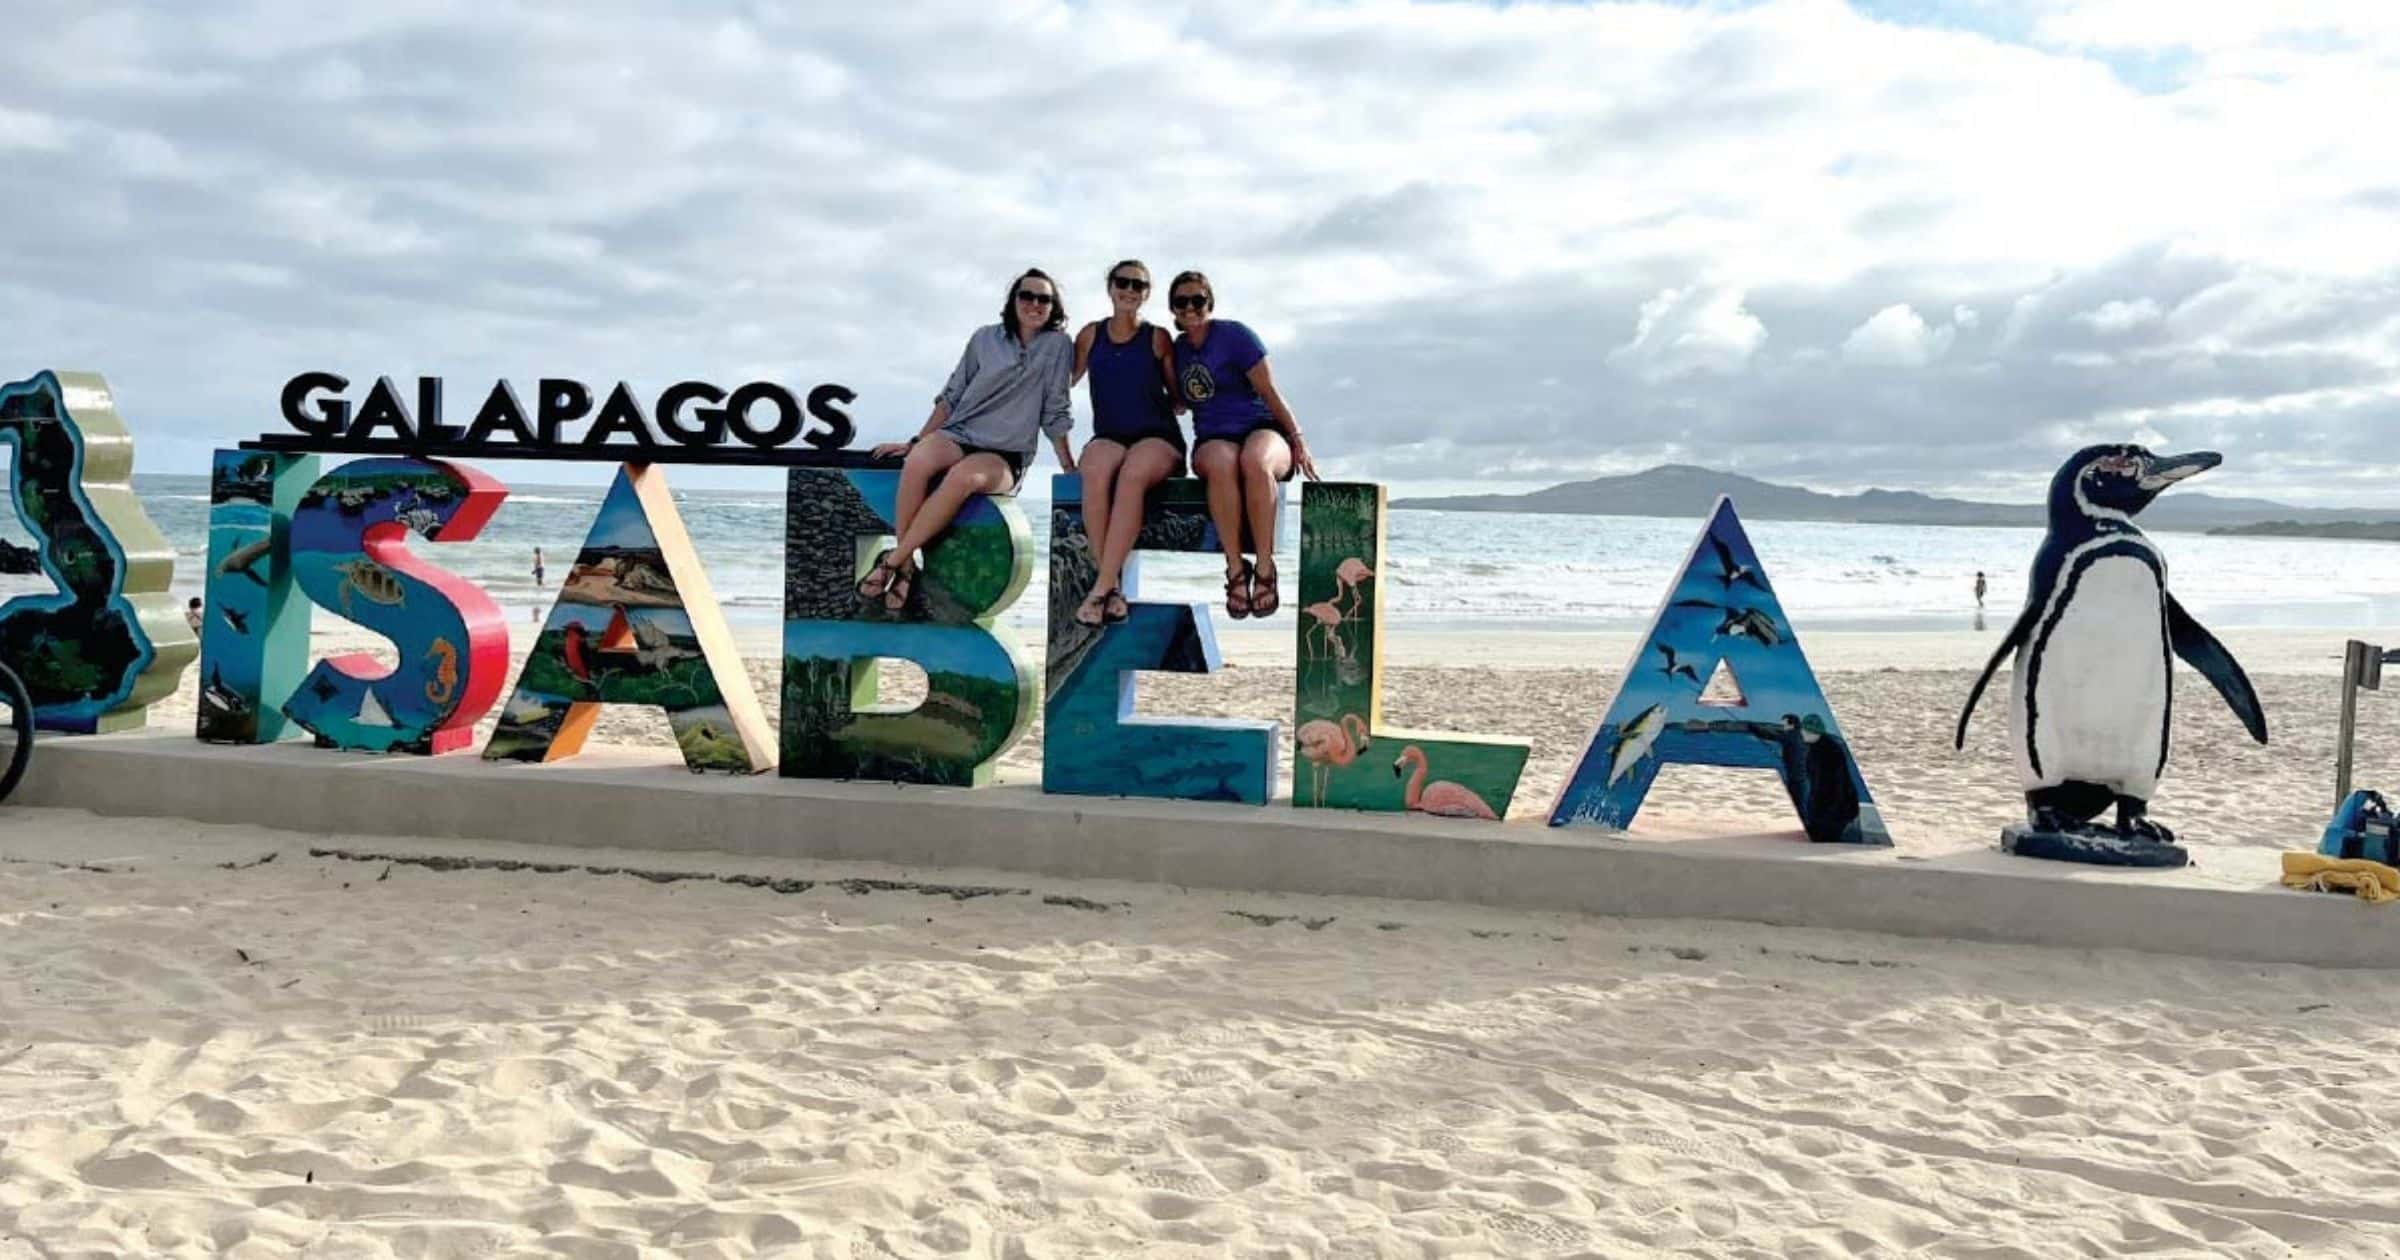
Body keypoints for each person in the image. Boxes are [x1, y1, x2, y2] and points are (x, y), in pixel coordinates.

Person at [862, 268, 1075, 611]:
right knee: (918, 461)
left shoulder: (1058, 346)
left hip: (1006, 453)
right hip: (961, 432)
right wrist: (917, 440)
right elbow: (951, 395)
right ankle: (905, 568)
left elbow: (1056, 409)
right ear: (1013, 301)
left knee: (964, 477)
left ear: (1054, 307)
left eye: (1044, 299)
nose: (1035, 303)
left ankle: (894, 560)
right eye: (1027, 296)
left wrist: (1068, 464)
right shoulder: (984, 339)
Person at [1167, 270, 1317, 619]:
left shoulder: (1235, 336)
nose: (1190, 307)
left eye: (1197, 300)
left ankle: (1265, 568)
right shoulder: (1178, 351)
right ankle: (1236, 570)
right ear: (1172, 310)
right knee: (1221, 462)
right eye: (1181, 302)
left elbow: (1269, 391)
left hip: (1262, 427)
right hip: (1213, 437)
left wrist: (1297, 439)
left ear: (1210, 302)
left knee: (1256, 461)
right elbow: (1178, 401)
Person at [1067, 260, 1183, 627]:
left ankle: (1100, 589)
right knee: (1094, 470)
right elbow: (1061, 383)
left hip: (1157, 438)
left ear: (1147, 294)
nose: (1130, 290)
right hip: (1110, 436)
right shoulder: (1089, 336)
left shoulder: (1157, 337)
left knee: (1132, 473)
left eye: (1139, 285)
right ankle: (1113, 588)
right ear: (1110, 286)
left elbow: (1179, 399)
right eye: (1123, 282)